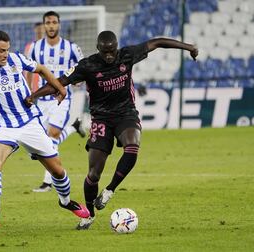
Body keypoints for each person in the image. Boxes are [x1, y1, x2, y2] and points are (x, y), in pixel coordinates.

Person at [25, 31, 199, 229]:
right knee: (93, 174)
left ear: (116, 47)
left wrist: (189, 47)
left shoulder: (127, 55)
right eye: (105, 52)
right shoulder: (87, 66)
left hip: (126, 114)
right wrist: (34, 95)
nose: (109, 55)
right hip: (101, 119)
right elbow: (60, 82)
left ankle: (109, 191)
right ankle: (88, 214)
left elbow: (157, 42)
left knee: (132, 147)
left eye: (112, 51)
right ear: (98, 49)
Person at [0, 29, 89, 230]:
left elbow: (41, 69)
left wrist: (60, 88)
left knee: (58, 171)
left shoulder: (16, 59)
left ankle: (66, 201)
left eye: (7, 49)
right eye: (0, 51)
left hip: (30, 123)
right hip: (4, 128)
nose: (5, 54)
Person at [26, 11, 86, 193]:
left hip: (62, 99)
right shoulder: (35, 48)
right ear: (44, 25)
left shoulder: (71, 48)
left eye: (54, 22)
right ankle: (74, 128)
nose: (51, 25)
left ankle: (48, 181)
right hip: (41, 101)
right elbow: (29, 71)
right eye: (48, 22)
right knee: (39, 143)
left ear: (59, 25)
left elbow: (84, 68)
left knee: (52, 136)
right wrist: (30, 93)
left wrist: (79, 79)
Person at [24, 22, 45, 92]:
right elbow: (26, 66)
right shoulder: (29, 46)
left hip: (45, 83)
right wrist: (28, 85)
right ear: (35, 30)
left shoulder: (49, 46)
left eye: (42, 28)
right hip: (33, 84)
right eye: (38, 28)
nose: (40, 30)